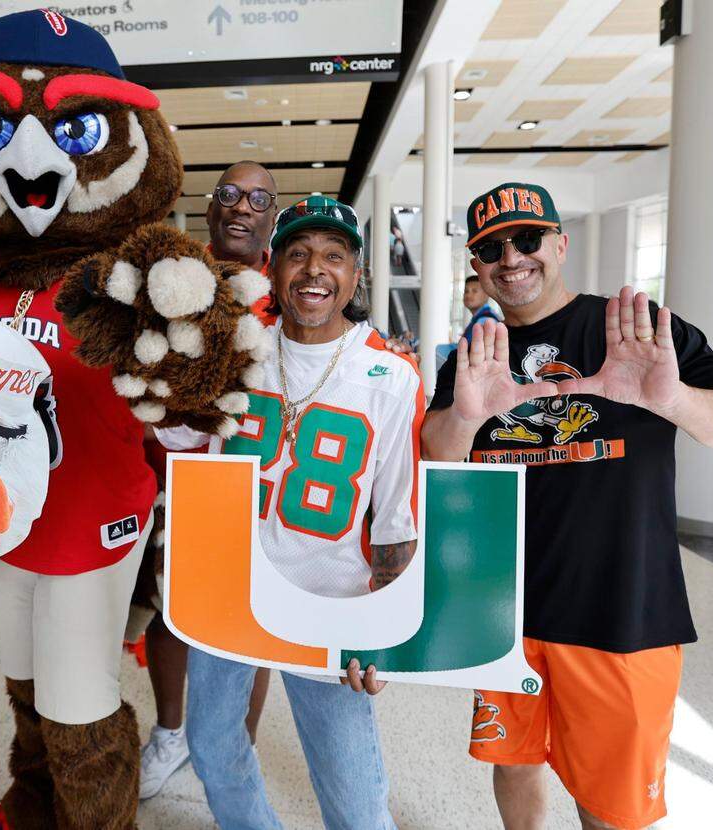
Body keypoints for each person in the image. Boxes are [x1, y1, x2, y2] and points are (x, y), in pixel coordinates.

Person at [422, 181, 713, 830]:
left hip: (620, 618)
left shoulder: (635, 332)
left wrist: (674, 401)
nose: (512, 257)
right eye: (491, 247)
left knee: (610, 808)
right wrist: (468, 419)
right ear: (477, 265)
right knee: (512, 763)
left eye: (528, 239)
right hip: (504, 616)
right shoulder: (479, 356)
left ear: (560, 244)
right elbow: (436, 459)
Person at [159, 195, 423, 829]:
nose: (315, 270)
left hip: (329, 602)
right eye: (299, 254)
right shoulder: (237, 354)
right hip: (231, 591)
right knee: (214, 749)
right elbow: (180, 445)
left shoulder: (390, 374)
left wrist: (380, 627)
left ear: (356, 275)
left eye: (334, 256)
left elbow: (393, 518)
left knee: (354, 795)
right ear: (273, 268)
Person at [139, 161, 277, 799]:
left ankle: (234, 747)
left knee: (257, 618)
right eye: (229, 194)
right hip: (180, 474)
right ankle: (171, 733)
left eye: (257, 198)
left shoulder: (295, 289)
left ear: (272, 215)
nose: (241, 207)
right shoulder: (174, 281)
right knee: (174, 611)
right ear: (211, 207)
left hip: (263, 482)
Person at [461, 274, 500, 342]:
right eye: (466, 291)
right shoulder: (478, 318)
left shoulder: (486, 321)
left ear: (487, 294)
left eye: (474, 291)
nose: (468, 295)